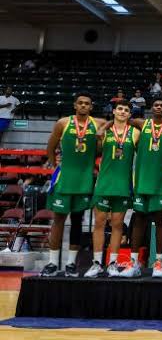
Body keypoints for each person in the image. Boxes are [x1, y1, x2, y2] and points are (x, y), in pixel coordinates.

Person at [40, 92, 107, 277]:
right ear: (75, 105)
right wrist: (56, 165)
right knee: (58, 220)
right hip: (65, 179)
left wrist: (101, 135)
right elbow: (50, 147)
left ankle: (71, 264)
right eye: (81, 103)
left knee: (78, 222)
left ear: (91, 107)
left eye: (87, 103)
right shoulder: (63, 123)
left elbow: (112, 124)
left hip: (84, 180)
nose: (84, 106)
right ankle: (52, 263)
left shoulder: (98, 123)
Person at [117, 99, 162, 277]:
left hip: (160, 180)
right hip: (142, 179)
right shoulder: (142, 123)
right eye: (156, 105)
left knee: (160, 221)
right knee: (139, 220)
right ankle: (134, 263)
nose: (158, 107)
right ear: (151, 108)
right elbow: (124, 120)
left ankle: (158, 263)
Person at [84, 100, 138, 278]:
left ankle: (112, 264)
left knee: (117, 226)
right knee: (99, 224)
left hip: (123, 185)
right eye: (120, 109)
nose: (123, 112)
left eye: (126, 110)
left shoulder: (135, 133)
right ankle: (97, 263)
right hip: (104, 184)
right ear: (114, 111)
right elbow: (92, 152)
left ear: (130, 114)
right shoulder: (104, 132)